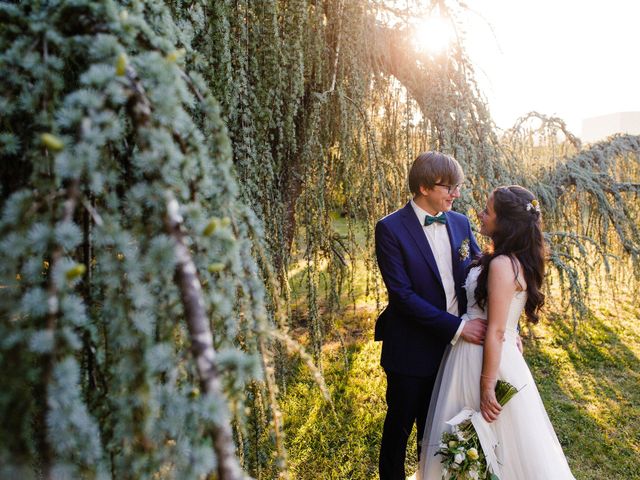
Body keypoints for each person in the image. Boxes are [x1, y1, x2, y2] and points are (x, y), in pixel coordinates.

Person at [418, 185, 575, 479]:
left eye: (487, 211)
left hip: (482, 359)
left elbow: (495, 330)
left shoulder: (503, 264)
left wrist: (487, 387)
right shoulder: (510, 257)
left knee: (486, 433)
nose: (480, 214)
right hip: (484, 352)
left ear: (505, 222)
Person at [375, 151, 486, 480]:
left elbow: (482, 273)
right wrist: (458, 328)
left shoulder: (460, 222)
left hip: (454, 353)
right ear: (424, 187)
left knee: (437, 426)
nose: (456, 194)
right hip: (410, 348)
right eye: (448, 187)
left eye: (457, 186)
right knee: (400, 427)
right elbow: (403, 296)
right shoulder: (390, 229)